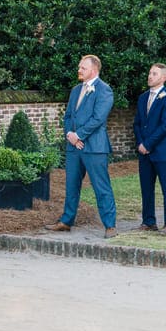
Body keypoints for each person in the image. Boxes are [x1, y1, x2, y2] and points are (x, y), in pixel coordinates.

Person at [45, 55, 117, 238]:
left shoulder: (104, 90)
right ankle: (66, 221)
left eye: (82, 68)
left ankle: (110, 225)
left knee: (101, 186)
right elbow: (68, 116)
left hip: (94, 147)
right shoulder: (76, 90)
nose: (79, 70)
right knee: (71, 186)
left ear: (93, 70)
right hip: (73, 147)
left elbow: (98, 118)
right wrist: (70, 135)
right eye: (79, 67)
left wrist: (79, 135)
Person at [133, 63, 166, 233]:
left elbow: (165, 126)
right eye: (150, 73)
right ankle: (148, 221)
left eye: (154, 73)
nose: (150, 76)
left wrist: (148, 144)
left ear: (163, 78)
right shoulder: (143, 98)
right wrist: (140, 143)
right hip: (144, 152)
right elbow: (137, 123)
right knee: (146, 187)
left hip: (161, 152)